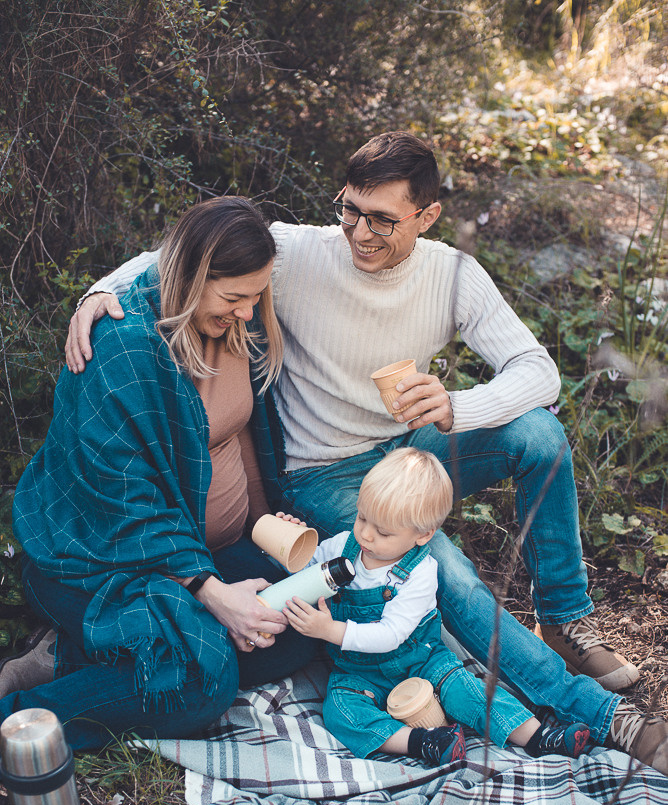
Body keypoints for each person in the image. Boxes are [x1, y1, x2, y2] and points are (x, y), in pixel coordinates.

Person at [61, 131, 668, 772]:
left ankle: (565, 619)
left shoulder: (452, 275)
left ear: (426, 216)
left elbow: (538, 373)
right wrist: (97, 293)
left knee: (539, 435)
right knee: (444, 568)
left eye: (382, 219)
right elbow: (177, 257)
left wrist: (457, 406)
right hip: (324, 474)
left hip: (408, 448)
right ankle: (604, 716)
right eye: (350, 210)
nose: (359, 232)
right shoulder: (297, 253)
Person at [0, 197, 319, 750]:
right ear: (192, 277)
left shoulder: (235, 327)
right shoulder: (122, 352)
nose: (248, 312)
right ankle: (18, 725)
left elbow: (240, 432)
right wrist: (213, 593)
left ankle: (70, 655)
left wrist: (266, 526)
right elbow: (126, 511)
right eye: (234, 298)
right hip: (97, 561)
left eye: (256, 296)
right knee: (201, 681)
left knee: (296, 624)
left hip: (200, 552)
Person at [284, 449, 592, 768]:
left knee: (468, 691)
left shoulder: (419, 573)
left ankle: (539, 736)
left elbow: (391, 635)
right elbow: (304, 571)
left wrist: (330, 630)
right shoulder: (342, 546)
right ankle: (423, 742)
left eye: (383, 531)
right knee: (340, 711)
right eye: (361, 517)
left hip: (421, 662)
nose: (365, 534)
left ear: (423, 535)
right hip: (359, 672)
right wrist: (290, 544)